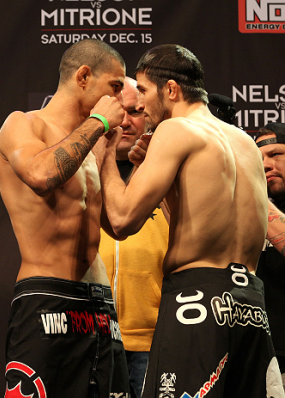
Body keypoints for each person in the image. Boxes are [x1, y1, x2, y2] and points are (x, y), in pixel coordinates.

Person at [93, 44, 285, 397]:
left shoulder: (176, 129)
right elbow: (198, 218)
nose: (141, 106)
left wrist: (104, 151)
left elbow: (120, 221)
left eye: (145, 91)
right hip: (250, 306)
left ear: (171, 90)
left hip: (196, 303)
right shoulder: (244, 142)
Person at [0, 39, 131, 398]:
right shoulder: (23, 125)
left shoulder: (93, 142)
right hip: (47, 298)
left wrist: (110, 150)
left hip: (101, 305)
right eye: (114, 87)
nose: (119, 101)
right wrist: (99, 122)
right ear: (84, 76)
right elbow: (42, 175)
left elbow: (118, 224)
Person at [99, 76, 169, 398]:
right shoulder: (85, 170)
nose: (126, 121)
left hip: (155, 338)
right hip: (95, 334)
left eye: (136, 111)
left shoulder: (168, 171)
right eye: (118, 111)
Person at [255, 122, 285, 390]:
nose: (265, 164)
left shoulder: (252, 203)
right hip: (256, 354)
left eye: (275, 155)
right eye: (258, 158)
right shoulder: (243, 207)